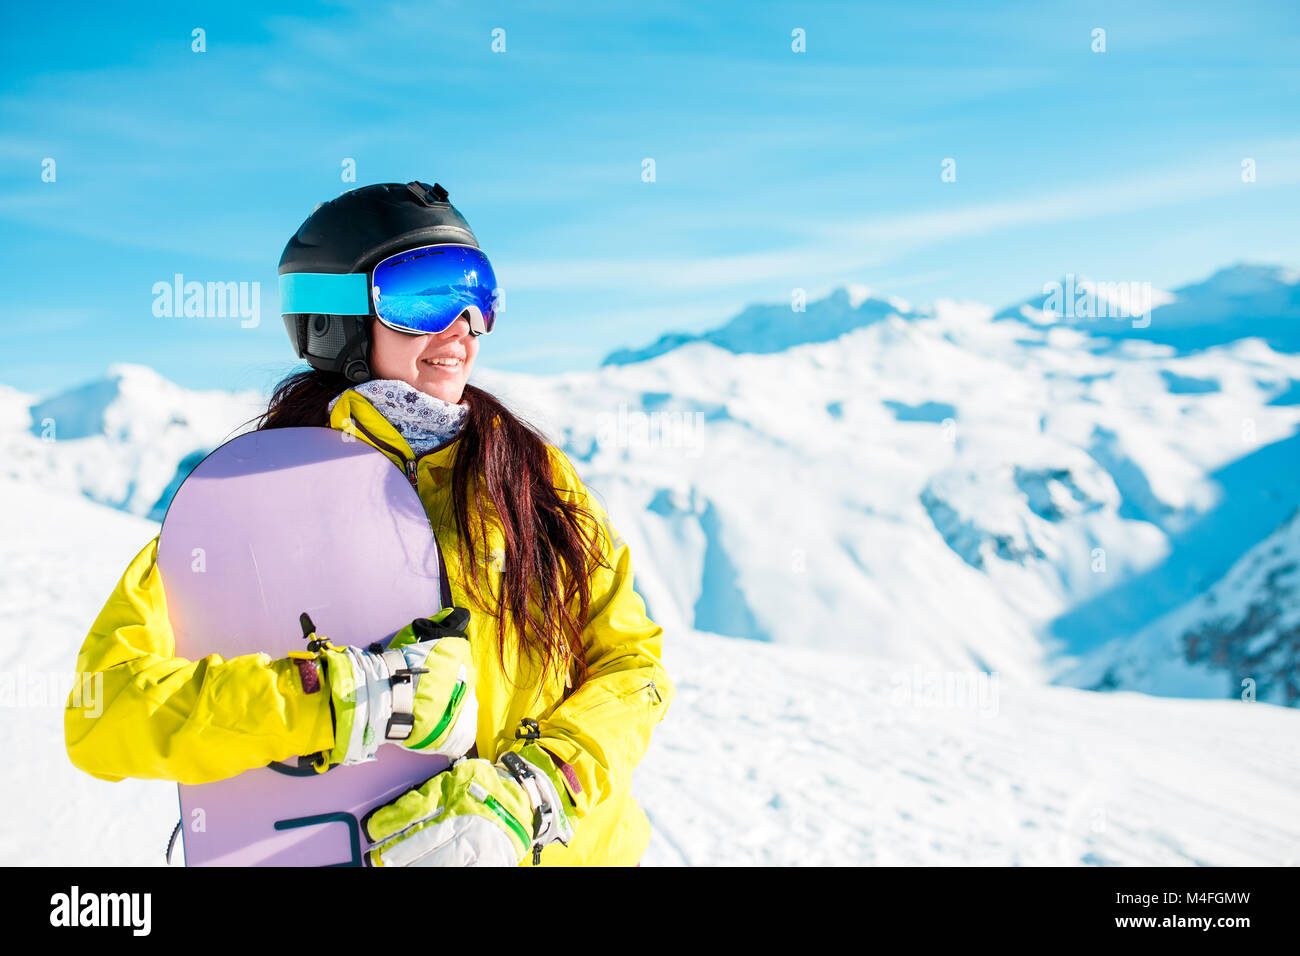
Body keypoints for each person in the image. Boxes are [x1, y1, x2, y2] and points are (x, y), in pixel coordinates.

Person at [64, 181, 675, 866]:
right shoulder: (254, 499)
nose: (463, 327)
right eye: (426, 296)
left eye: (479, 295)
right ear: (337, 319)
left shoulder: (529, 475)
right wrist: (348, 699)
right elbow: (104, 713)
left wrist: (538, 790)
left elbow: (635, 667)